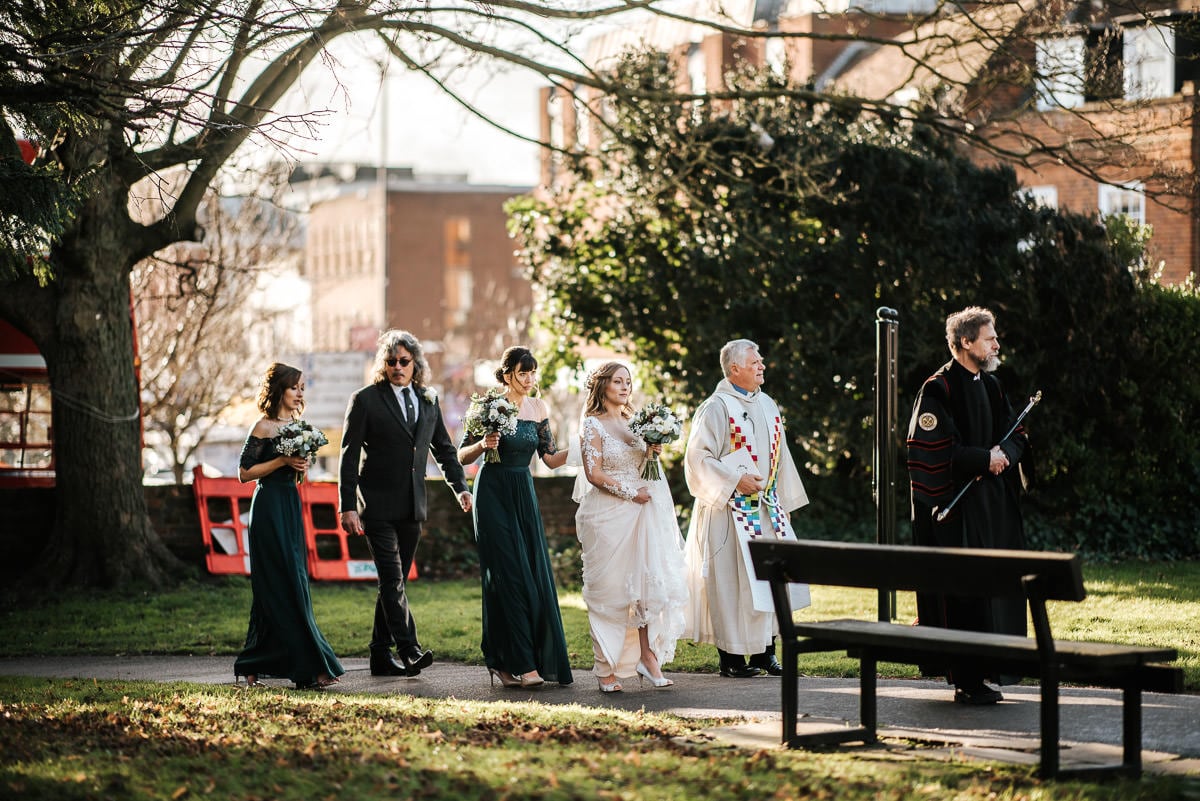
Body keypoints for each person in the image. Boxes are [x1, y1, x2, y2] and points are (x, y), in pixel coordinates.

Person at [906, 306, 1028, 705]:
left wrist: (1005, 454)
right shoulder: (938, 389)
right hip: (958, 513)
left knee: (994, 590)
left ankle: (993, 669)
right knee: (966, 596)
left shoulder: (991, 386)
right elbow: (932, 450)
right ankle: (967, 678)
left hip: (993, 510)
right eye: (989, 337)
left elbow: (1016, 432)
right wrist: (984, 459)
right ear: (964, 342)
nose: (996, 343)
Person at [339, 330, 472, 678]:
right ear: (383, 365)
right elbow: (348, 456)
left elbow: (443, 448)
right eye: (391, 361)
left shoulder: (428, 400)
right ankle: (409, 648)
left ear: (415, 364)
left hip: (413, 505)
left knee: (393, 584)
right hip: (377, 504)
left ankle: (380, 655)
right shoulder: (365, 400)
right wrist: (347, 505)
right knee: (392, 578)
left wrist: (460, 486)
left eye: (404, 361)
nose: (397, 367)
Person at [682, 339, 811, 678]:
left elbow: (780, 457)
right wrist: (736, 479)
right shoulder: (715, 407)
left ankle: (765, 652)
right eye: (755, 362)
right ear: (734, 368)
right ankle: (732, 658)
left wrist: (781, 500)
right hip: (730, 510)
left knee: (767, 580)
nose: (762, 366)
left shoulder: (768, 404)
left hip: (765, 508)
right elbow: (698, 458)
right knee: (731, 583)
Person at [457, 346, 572, 688]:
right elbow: (462, 455)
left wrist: (585, 447)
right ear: (507, 374)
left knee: (529, 572)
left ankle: (501, 660)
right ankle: (523, 665)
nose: (529, 379)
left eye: (532, 373)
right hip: (492, 493)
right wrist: (483, 445)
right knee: (508, 575)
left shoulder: (538, 408)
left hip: (523, 493)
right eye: (523, 373)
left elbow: (549, 458)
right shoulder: (487, 407)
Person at [574, 362, 688, 693]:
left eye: (628, 381)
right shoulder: (592, 425)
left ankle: (647, 658)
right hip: (609, 514)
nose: (625, 387)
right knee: (610, 592)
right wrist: (628, 492)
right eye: (618, 381)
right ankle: (605, 668)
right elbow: (593, 473)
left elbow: (644, 466)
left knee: (646, 588)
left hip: (643, 514)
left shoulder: (634, 422)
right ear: (603, 386)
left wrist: (652, 453)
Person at [234, 362, 344, 690]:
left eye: (302, 389)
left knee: (291, 582)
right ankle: (310, 669)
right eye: (294, 387)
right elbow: (244, 472)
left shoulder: (298, 427)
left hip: (289, 506)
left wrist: (301, 464)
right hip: (267, 507)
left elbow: (296, 476)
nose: (299, 394)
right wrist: (282, 460)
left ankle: (253, 663)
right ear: (279, 389)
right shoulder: (263, 426)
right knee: (282, 584)